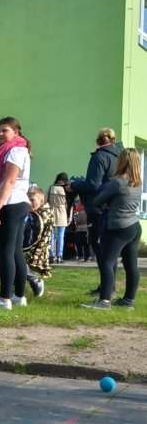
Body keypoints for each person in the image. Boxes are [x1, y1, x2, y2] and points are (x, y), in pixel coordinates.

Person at [81, 149, 142, 310]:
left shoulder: (117, 182)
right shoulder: (138, 183)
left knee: (107, 262)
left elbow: (97, 201)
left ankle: (104, 301)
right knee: (131, 265)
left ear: (122, 161)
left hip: (117, 227)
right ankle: (128, 301)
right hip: (134, 226)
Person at [0, 117, 31, 310]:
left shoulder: (15, 150)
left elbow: (9, 181)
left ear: (16, 132)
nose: (0, 134)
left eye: (5, 130)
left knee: (6, 252)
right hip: (17, 203)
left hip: (10, 204)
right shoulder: (14, 149)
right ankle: (19, 296)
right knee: (16, 252)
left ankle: (4, 299)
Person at [70, 128, 123, 273]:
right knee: (109, 248)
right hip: (115, 206)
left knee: (98, 245)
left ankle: (106, 284)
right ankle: (108, 283)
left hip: (98, 206)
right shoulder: (120, 157)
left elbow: (93, 184)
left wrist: (74, 185)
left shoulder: (99, 157)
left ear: (98, 141)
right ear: (113, 140)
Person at [22, 186, 52, 298]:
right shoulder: (32, 213)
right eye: (27, 200)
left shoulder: (43, 214)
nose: (29, 203)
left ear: (41, 201)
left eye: (32, 200)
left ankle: (35, 281)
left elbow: (36, 233)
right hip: (28, 244)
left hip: (36, 247)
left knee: (18, 263)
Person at [48, 173, 69, 263]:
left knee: (51, 235)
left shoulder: (51, 188)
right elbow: (68, 203)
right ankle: (59, 256)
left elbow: (47, 200)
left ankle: (51, 255)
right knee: (61, 236)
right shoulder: (66, 189)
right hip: (62, 212)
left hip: (51, 211)